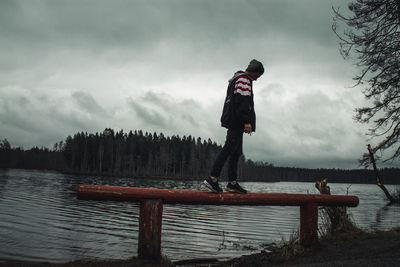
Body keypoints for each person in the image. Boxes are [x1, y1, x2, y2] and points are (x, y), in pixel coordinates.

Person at [203, 59, 264, 194]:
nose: (257, 79)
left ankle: (232, 183)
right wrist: (247, 121)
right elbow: (242, 101)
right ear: (253, 71)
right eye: (258, 76)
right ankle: (212, 178)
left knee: (236, 152)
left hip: (235, 120)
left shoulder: (238, 78)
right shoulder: (244, 79)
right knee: (228, 149)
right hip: (237, 121)